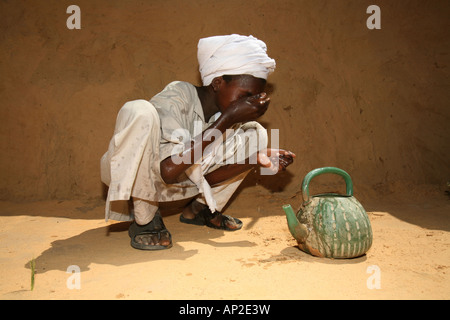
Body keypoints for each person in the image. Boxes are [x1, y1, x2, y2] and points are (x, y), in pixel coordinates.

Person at [100, 34, 295, 250]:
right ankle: (145, 220)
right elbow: (168, 170)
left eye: (256, 97)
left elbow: (206, 178)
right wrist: (227, 119)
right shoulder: (179, 97)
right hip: (138, 173)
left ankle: (200, 210)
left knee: (256, 132)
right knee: (138, 111)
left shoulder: (231, 116)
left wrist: (254, 160)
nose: (250, 104)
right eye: (245, 95)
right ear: (218, 83)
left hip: (180, 182)